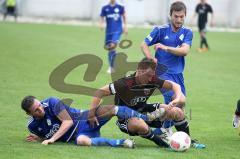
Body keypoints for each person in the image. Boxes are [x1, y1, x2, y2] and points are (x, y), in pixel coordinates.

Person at [140, 1, 205, 148]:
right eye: (176, 16)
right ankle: (166, 130)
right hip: (162, 74)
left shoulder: (187, 32)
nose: (179, 20)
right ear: (170, 15)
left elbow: (185, 51)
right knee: (174, 101)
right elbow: (143, 44)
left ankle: (163, 128)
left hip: (178, 75)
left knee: (181, 103)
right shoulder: (160, 30)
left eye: (182, 17)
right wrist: (150, 58)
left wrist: (165, 47)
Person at [88, 57, 186, 147]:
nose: (150, 79)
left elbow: (175, 86)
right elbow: (99, 92)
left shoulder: (152, 80)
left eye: (152, 76)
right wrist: (91, 114)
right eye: (148, 76)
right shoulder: (124, 84)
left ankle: (188, 140)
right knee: (140, 125)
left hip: (144, 111)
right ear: (139, 71)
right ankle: (162, 143)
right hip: (127, 118)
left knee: (176, 111)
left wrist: (177, 98)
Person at [22, 96, 165, 147]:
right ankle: (122, 143)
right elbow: (47, 135)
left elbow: (67, 122)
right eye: (36, 110)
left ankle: (147, 117)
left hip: (84, 119)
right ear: (29, 114)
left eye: (39, 105)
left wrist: (50, 139)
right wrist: (41, 138)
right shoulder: (33, 126)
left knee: (111, 108)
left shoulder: (51, 102)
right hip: (80, 135)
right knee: (82, 141)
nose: (41, 109)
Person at [100, 0, 127, 74]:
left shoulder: (120, 7)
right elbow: (102, 16)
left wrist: (125, 26)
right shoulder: (105, 8)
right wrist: (101, 24)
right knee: (110, 49)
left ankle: (111, 67)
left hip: (117, 31)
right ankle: (112, 65)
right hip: (108, 31)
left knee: (112, 46)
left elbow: (124, 16)